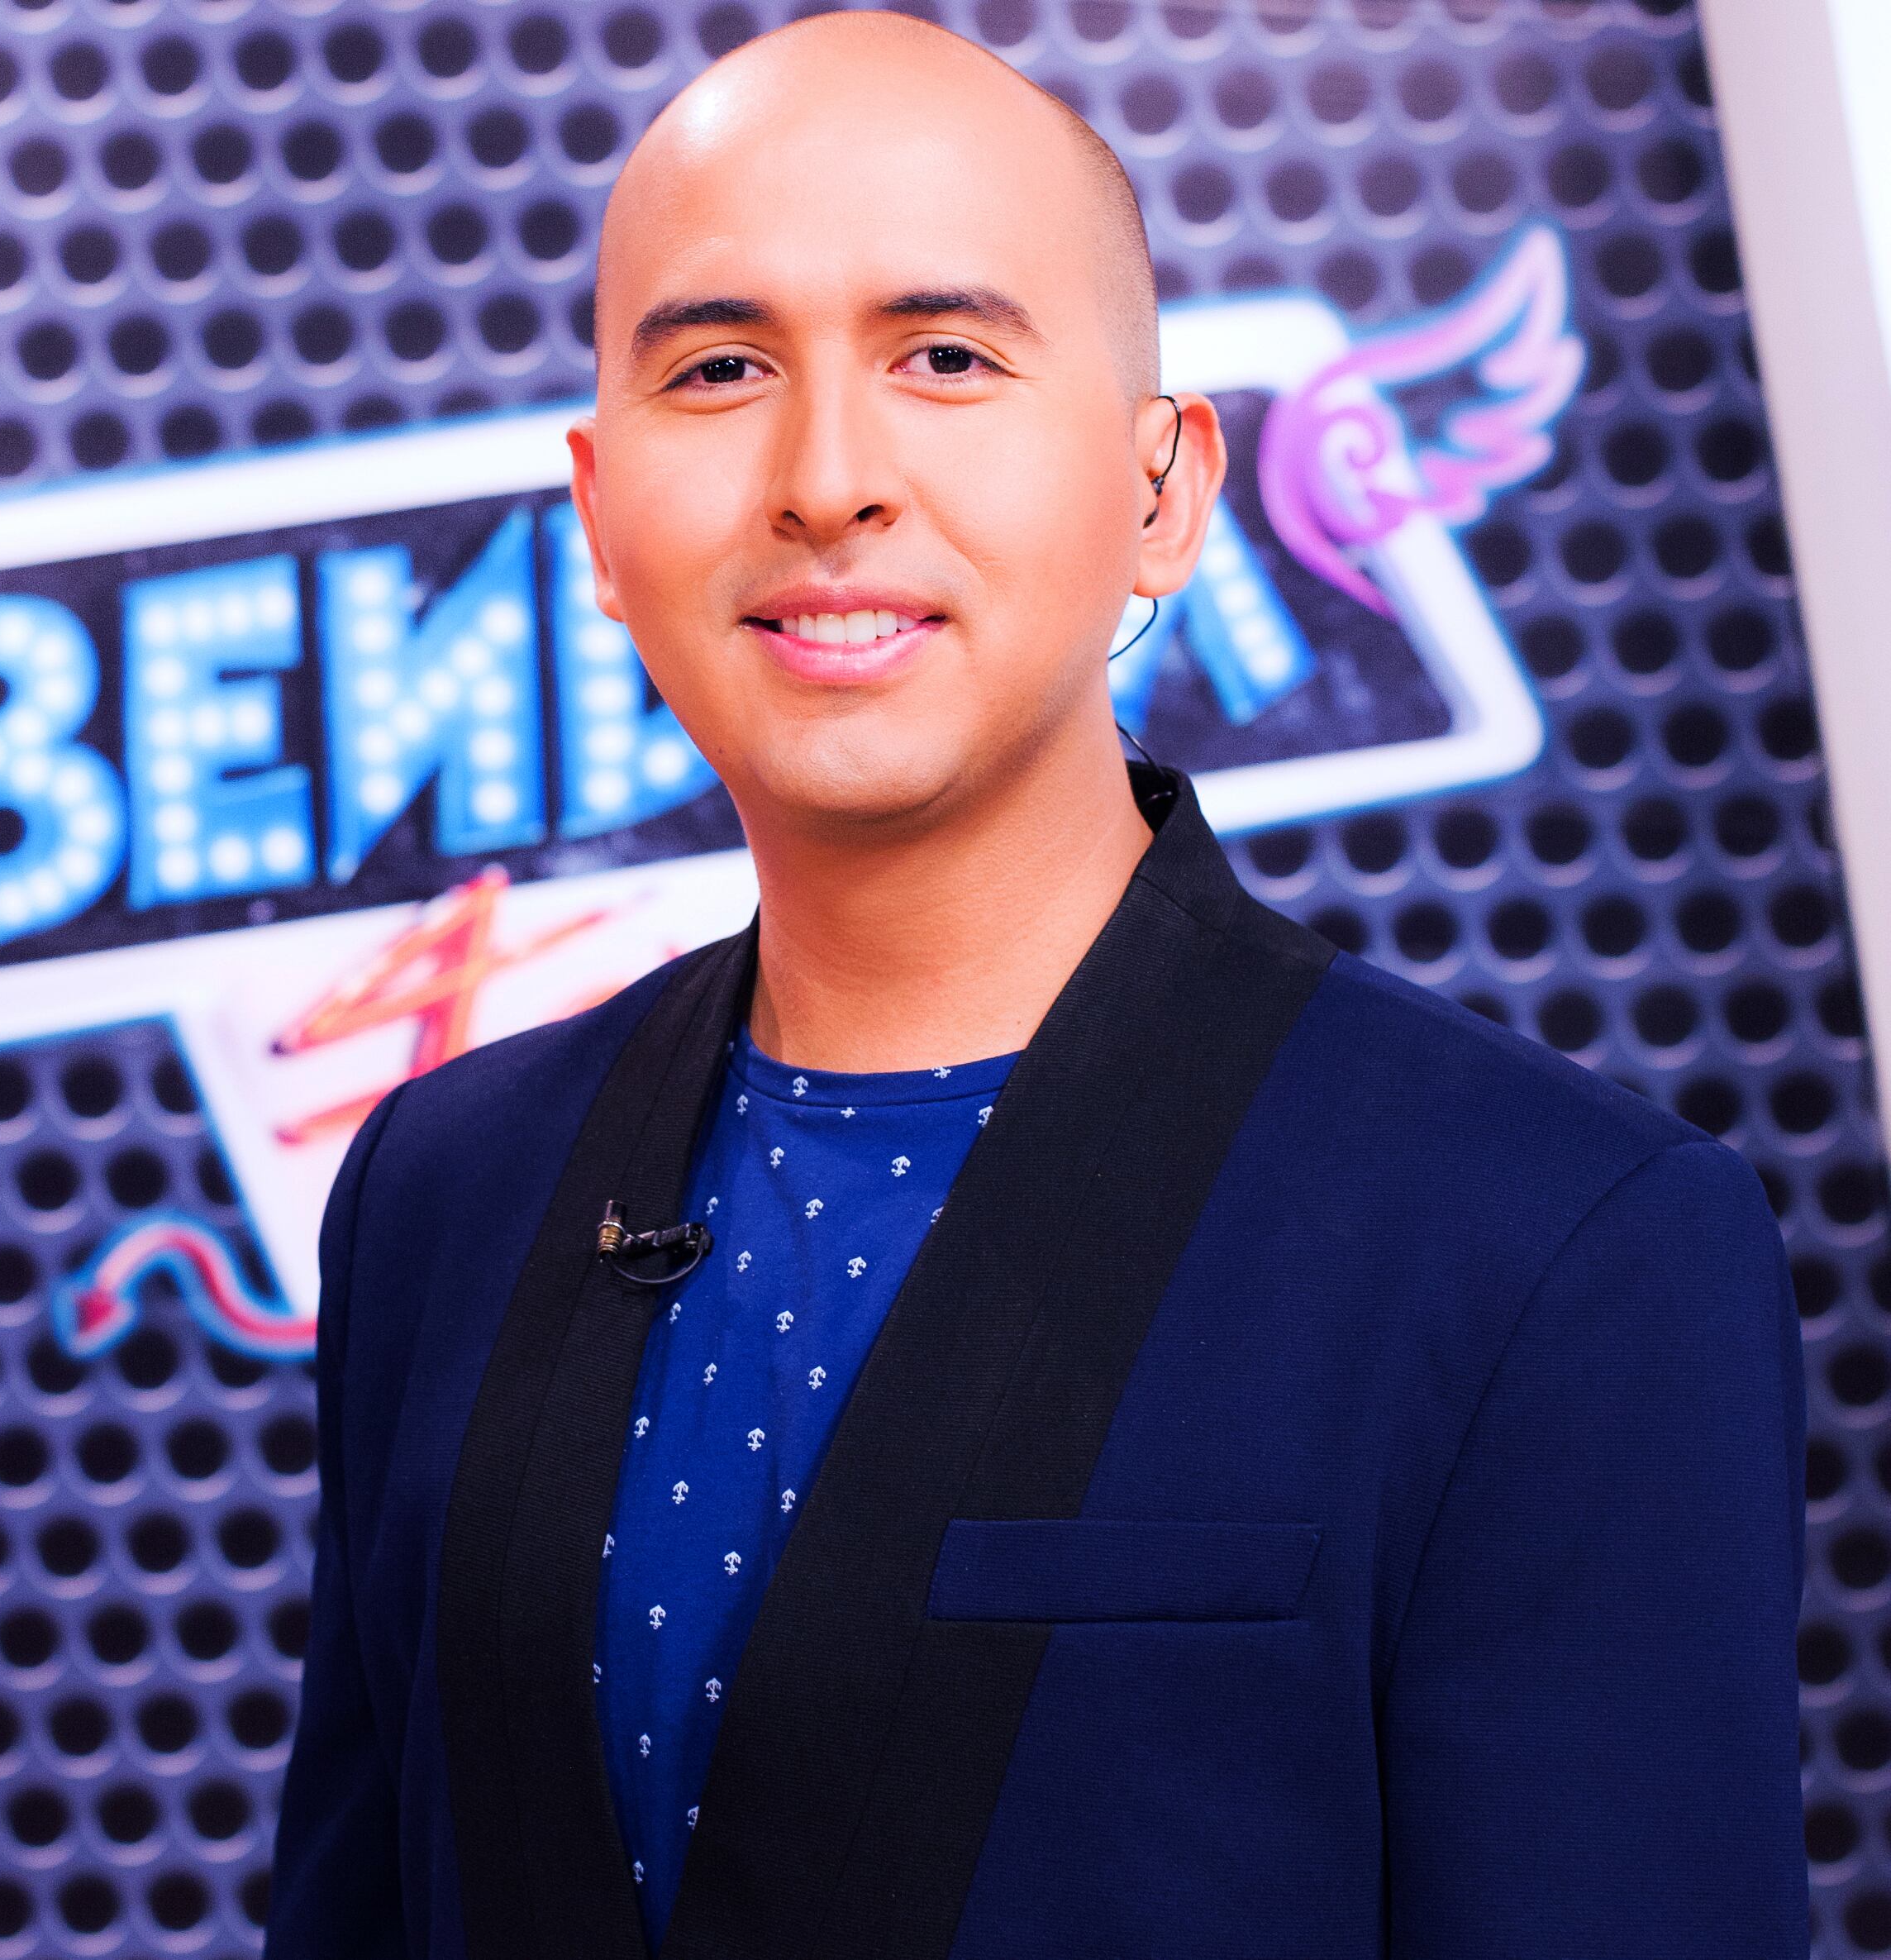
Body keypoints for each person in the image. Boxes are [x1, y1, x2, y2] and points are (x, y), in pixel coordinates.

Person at [264, 13, 1807, 1958]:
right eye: (722, 368)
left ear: (1164, 491)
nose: (828, 479)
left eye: (947, 358)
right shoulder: (441, 1195)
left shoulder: (1557, 1246)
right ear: (597, 514)